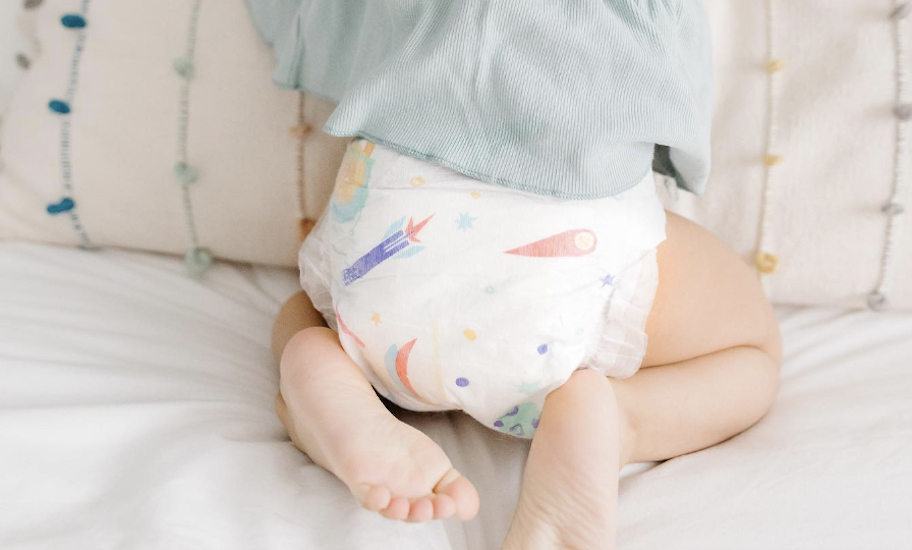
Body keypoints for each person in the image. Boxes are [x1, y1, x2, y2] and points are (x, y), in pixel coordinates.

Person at [256, 1, 782, 548]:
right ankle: (614, 420)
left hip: (389, 245)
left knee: (304, 310)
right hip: (570, 239)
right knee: (754, 351)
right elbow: (680, 88)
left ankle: (315, 364)